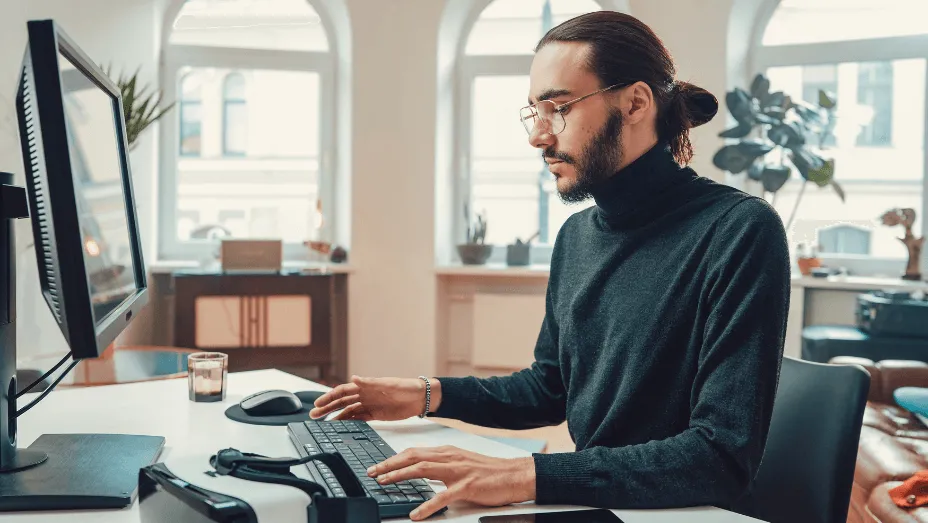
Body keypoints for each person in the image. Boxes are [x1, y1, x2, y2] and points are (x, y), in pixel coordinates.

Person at [310, 10, 790, 521]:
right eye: (534, 112)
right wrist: (425, 394)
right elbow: (549, 389)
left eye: (558, 108)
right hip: (599, 503)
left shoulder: (739, 229)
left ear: (634, 102)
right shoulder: (577, 236)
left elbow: (718, 459)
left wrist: (525, 476)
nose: (539, 136)